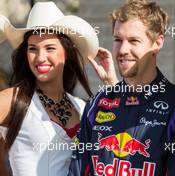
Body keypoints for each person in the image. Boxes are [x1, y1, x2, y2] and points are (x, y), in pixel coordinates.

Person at [68, 0, 175, 175]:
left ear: (158, 42)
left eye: (134, 40)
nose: (123, 49)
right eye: (118, 39)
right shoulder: (98, 103)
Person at [0, 1, 117, 176]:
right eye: (33, 49)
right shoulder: (12, 100)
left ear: (67, 53)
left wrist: (112, 85)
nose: (40, 58)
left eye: (50, 48)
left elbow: (120, 145)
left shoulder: (83, 107)